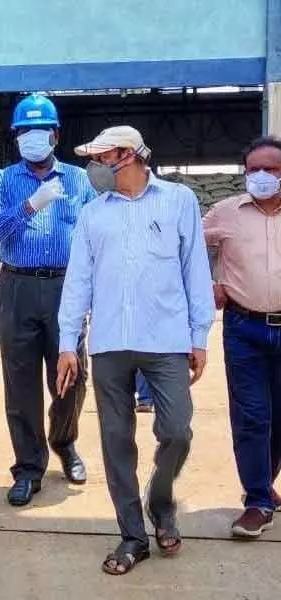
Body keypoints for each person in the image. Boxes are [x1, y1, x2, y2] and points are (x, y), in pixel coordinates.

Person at [57, 125, 214, 575]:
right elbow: (78, 281)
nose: (95, 167)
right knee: (116, 441)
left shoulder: (178, 201)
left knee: (178, 431)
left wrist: (198, 335)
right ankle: (132, 535)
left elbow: (195, 270)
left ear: (127, 155)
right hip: (109, 343)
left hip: (165, 340)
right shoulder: (93, 215)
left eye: (102, 157)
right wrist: (70, 342)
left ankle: (160, 502)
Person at [0, 93, 96, 505]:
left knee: (71, 376)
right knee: (20, 380)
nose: (32, 138)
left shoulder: (79, 182)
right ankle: (29, 465)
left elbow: (97, 237)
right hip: (17, 288)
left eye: (40, 131)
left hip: (66, 286)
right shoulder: (0, 182)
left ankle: (64, 441)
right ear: (15, 137)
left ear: (56, 135)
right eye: (25, 131)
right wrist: (28, 206)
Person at [203, 135, 281, 538]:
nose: (263, 176)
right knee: (252, 416)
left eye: (272, 169)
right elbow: (187, 248)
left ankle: (265, 482)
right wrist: (209, 282)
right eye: (254, 170)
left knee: (279, 418)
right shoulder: (226, 212)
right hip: (244, 328)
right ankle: (257, 501)